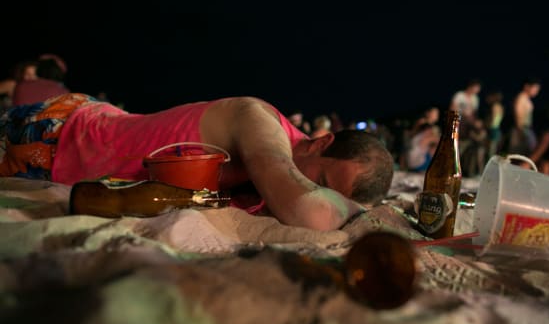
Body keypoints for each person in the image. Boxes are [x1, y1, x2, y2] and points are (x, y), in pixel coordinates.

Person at [0, 93, 394, 231]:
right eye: (322, 180)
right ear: (320, 142)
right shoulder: (257, 119)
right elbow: (307, 209)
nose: (318, 191)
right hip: (62, 130)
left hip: (71, 166)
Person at [508, 77, 541, 156]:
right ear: (527, 86)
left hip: (525, 129)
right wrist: (520, 131)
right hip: (522, 129)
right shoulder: (521, 97)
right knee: (517, 154)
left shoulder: (526, 98)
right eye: (535, 89)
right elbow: (517, 115)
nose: (536, 92)